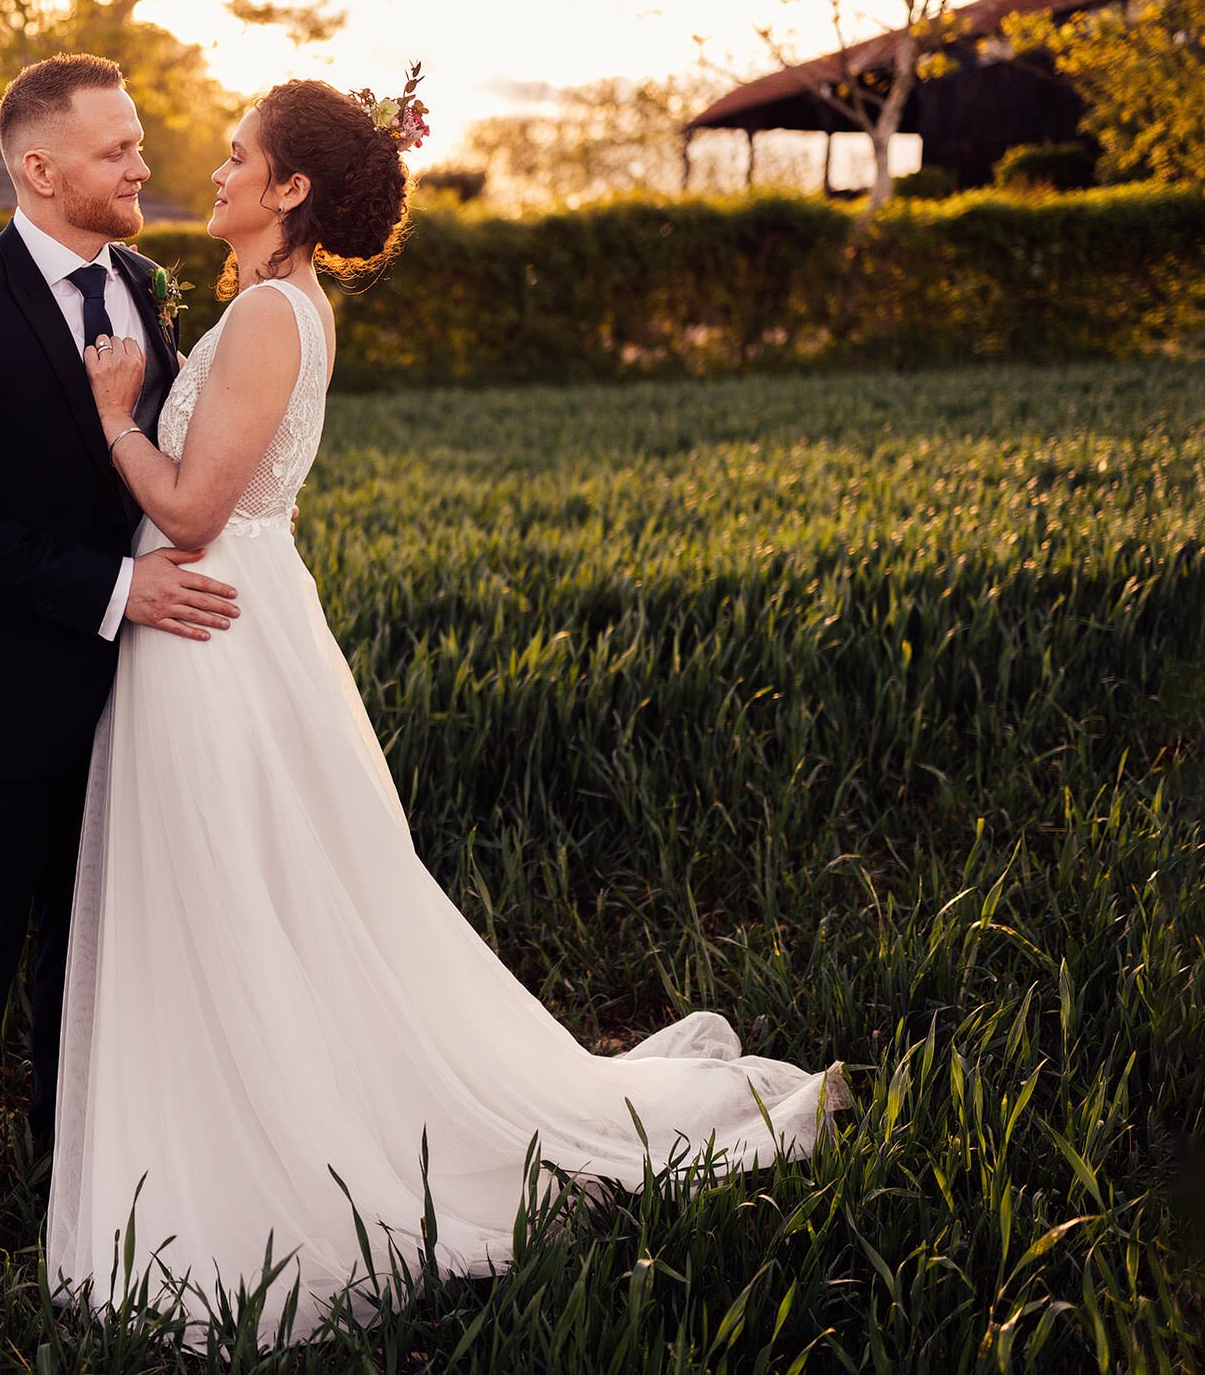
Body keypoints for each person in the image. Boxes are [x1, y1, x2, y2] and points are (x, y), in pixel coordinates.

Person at [45, 72, 855, 1350]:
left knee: (233, 892)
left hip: (208, 622)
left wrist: (108, 413)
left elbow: (194, 512)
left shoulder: (267, 317)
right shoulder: (277, 306)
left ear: (291, 187)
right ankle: (251, 1112)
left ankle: (272, 1151)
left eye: (238, 153)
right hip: (228, 617)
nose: (213, 169)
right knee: (261, 892)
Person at [0, 53, 241, 1304]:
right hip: (0, 693)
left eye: (140, 144)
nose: (144, 165)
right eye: (116, 151)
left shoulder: (143, 282)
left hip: (142, 695)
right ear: (39, 169)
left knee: (92, 956)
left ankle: (71, 1187)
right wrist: (110, 592)